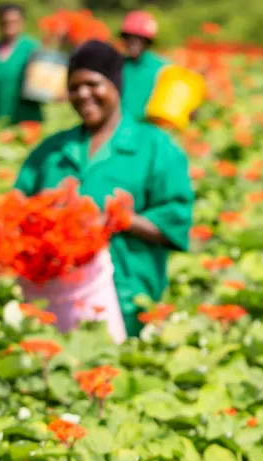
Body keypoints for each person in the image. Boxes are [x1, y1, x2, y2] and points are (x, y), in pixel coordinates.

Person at [15, 41, 195, 337]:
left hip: (129, 296)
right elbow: (19, 205)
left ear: (115, 85)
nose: (83, 94)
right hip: (54, 297)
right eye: (74, 87)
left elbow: (174, 223)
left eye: (92, 84)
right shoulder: (51, 150)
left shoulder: (154, 146)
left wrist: (121, 219)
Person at [118, 11, 169, 123]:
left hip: (149, 130)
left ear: (148, 41)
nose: (133, 43)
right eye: (129, 38)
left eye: (138, 39)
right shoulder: (118, 65)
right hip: (121, 130)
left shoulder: (163, 68)